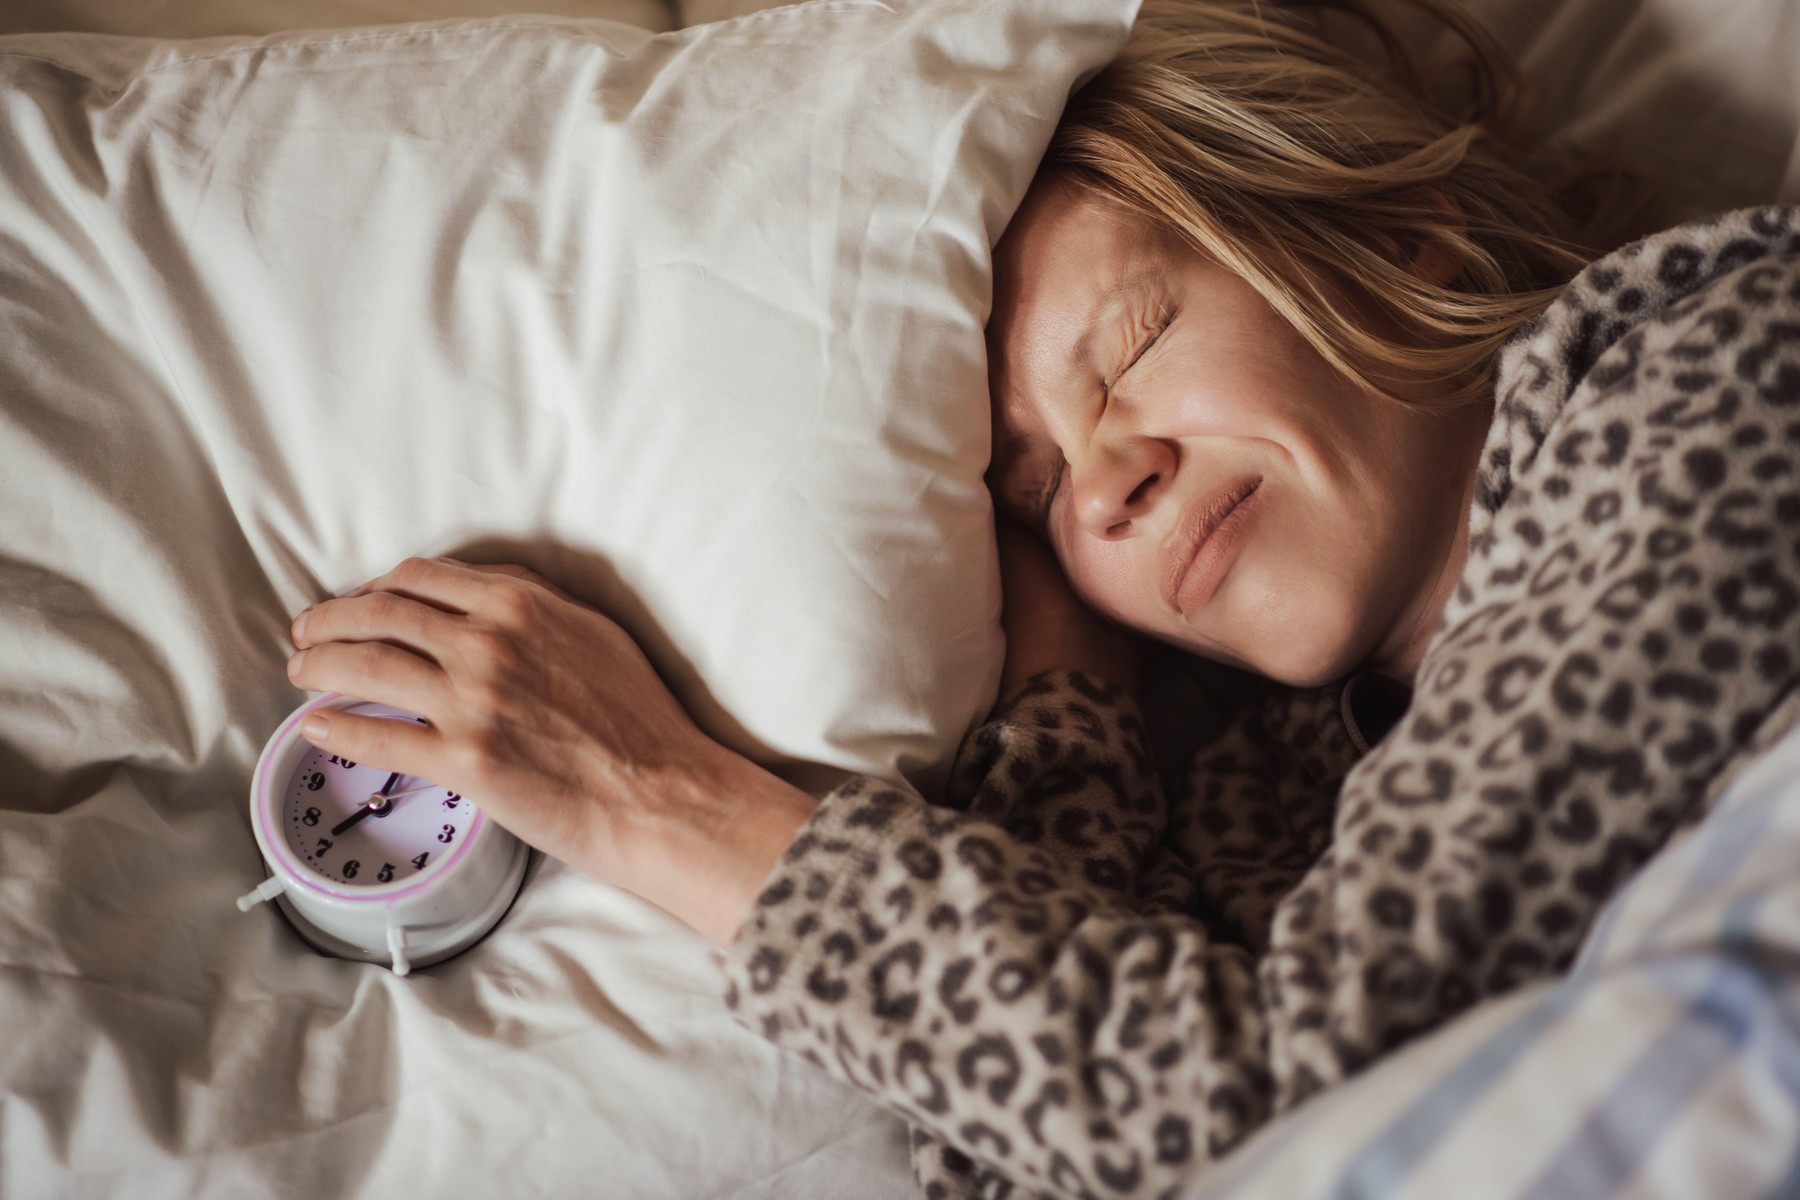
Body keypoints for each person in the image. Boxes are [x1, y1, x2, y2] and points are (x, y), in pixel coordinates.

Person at [279, 0, 1800, 1194]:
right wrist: (1070, 700)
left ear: (1398, 236)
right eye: (1038, 490)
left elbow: (1308, 1098)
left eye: (1132, 347)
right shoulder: (1283, 795)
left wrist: (653, 795)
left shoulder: (1717, 356)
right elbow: (1026, 1162)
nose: (1109, 480)